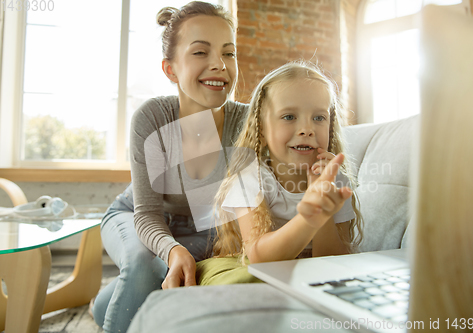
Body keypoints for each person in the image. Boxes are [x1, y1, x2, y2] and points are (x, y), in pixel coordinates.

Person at [91, 2, 248, 332]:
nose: (219, 65)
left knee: (119, 299)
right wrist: (171, 249)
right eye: (200, 53)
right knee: (143, 264)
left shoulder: (247, 122)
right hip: (136, 215)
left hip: (201, 232)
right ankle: (135, 280)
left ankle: (109, 302)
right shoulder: (151, 118)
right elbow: (146, 213)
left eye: (228, 53)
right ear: (170, 69)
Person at [195, 61, 363, 285]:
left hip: (311, 275)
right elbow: (259, 258)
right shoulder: (250, 179)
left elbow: (331, 262)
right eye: (289, 117)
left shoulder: (335, 179)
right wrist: (309, 217)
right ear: (262, 130)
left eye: (319, 117)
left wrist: (322, 208)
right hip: (260, 271)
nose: (307, 129)